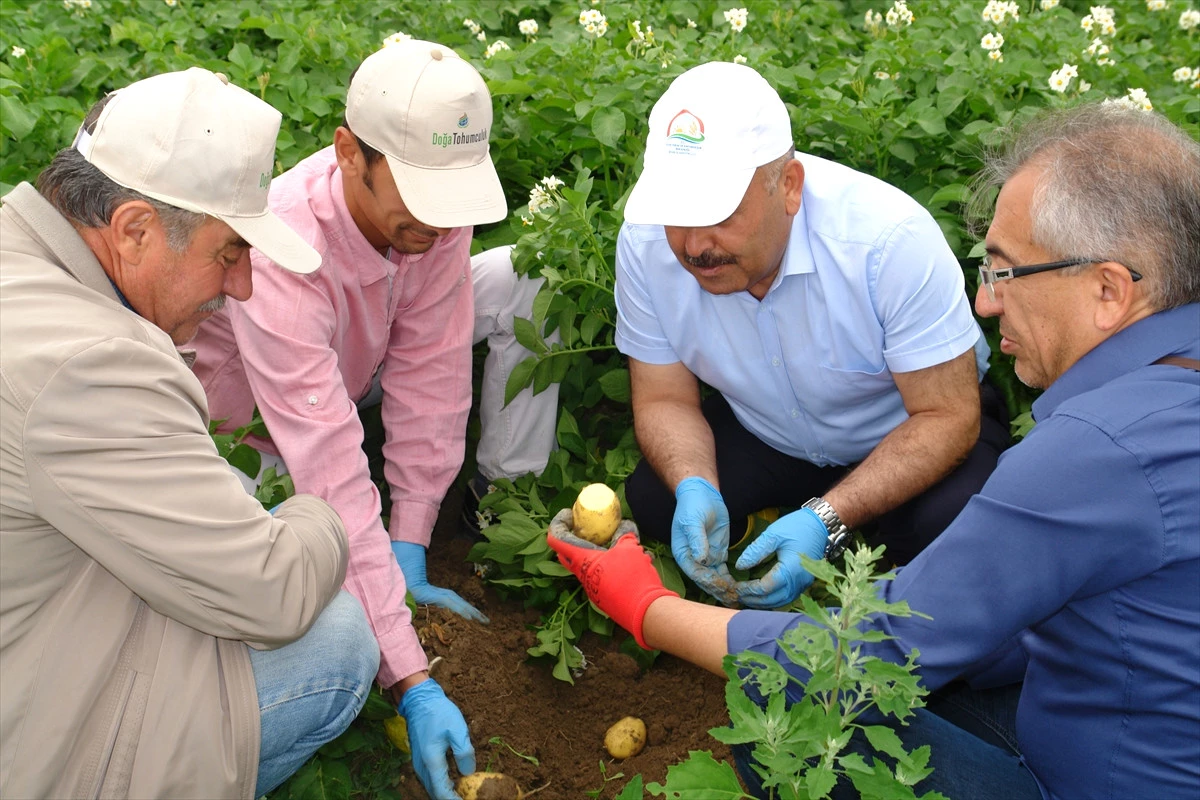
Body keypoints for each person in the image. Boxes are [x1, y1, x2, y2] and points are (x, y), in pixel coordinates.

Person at [549, 102, 1200, 799]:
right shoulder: (1160, 401)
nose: (985, 302)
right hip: (1106, 706)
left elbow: (865, 655)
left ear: (1108, 290)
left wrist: (645, 605)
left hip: (1098, 780)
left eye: (1006, 272)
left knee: (797, 725)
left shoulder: (1093, 451)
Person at [0, 68, 380, 799]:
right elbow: (273, 594)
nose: (239, 288)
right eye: (229, 252)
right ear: (134, 229)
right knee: (334, 640)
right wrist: (318, 514)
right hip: (30, 740)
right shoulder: (93, 366)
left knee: (226, 494)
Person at [189, 40, 544, 797]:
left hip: (353, 369)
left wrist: (412, 535)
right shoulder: (284, 246)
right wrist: (409, 676)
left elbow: (432, 372)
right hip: (250, 430)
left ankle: (487, 514)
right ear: (349, 152)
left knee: (516, 281)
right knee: (283, 548)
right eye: (415, 197)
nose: (437, 224)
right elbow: (328, 468)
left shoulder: (434, 219)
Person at [615, 61, 1008, 609]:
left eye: (719, 212)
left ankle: (844, 526)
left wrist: (830, 516)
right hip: (769, 428)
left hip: (902, 430)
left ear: (789, 187)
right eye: (675, 214)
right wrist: (693, 483)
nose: (694, 244)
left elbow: (950, 417)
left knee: (955, 526)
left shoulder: (887, 242)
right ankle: (792, 522)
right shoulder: (644, 245)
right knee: (656, 503)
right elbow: (662, 397)